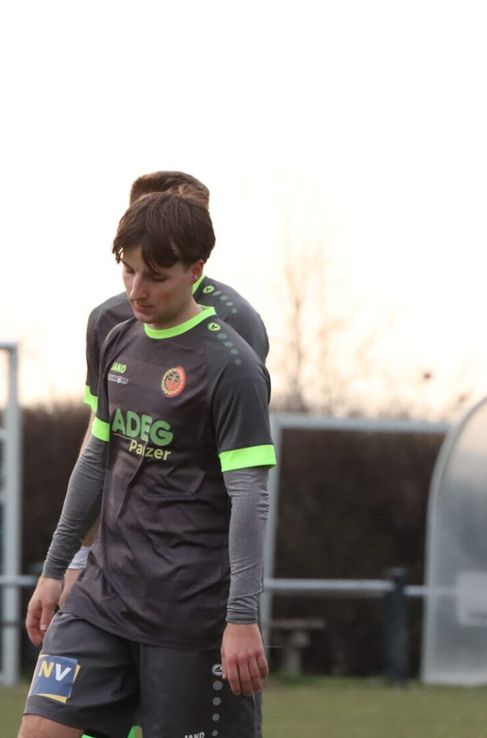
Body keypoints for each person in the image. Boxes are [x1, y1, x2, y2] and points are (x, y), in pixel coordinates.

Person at [19, 191, 275, 738]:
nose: (137, 290)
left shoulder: (231, 367)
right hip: (103, 595)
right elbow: (94, 461)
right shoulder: (120, 339)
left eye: (155, 276)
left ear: (196, 271)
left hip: (187, 613)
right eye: (128, 271)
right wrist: (54, 567)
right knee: (41, 729)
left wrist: (241, 615)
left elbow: (250, 497)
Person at [63, 171, 269, 603]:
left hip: (190, 571)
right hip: (113, 561)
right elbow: (101, 446)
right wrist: (78, 556)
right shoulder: (109, 323)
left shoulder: (236, 325)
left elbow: (242, 473)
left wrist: (238, 602)